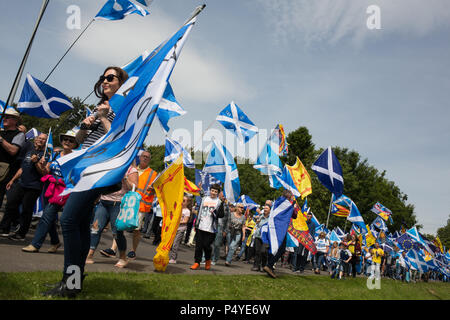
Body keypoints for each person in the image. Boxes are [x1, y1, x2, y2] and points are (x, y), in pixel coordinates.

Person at [43, 66, 129, 298]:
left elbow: (119, 142)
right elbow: (80, 140)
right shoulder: (100, 106)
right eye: (103, 77)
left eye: (110, 78)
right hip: (85, 167)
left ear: (121, 83)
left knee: (69, 220)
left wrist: (103, 117)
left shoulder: (122, 108)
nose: (105, 81)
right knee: (79, 224)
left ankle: (70, 282)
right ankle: (75, 280)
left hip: (99, 171)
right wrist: (86, 124)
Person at [21, 130, 78, 253]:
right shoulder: (55, 154)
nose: (67, 142)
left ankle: (35, 244)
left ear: (75, 144)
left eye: (71, 140)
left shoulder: (75, 158)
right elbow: (45, 172)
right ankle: (55, 242)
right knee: (50, 217)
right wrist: (39, 163)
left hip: (64, 190)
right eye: (65, 139)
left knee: (46, 216)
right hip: (49, 188)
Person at [85, 163, 138, 268]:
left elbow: (134, 187)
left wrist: (125, 177)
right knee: (95, 229)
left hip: (118, 204)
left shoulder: (131, 170)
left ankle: (123, 258)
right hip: (103, 202)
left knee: (117, 233)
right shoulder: (110, 165)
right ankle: (89, 255)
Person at [0, 132, 47, 240]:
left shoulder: (46, 155)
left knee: (26, 210)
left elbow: (44, 173)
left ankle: (21, 234)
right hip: (21, 183)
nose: (41, 140)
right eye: (39, 138)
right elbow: (22, 168)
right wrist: (12, 180)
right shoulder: (30, 151)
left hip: (34, 186)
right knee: (11, 203)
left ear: (46, 142)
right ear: (35, 139)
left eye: (43, 139)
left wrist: (36, 162)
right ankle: (5, 228)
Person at [0, 108, 26, 233]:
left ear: (15, 121)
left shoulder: (19, 135)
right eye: (4, 116)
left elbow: (13, 150)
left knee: (8, 202)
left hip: (6, 170)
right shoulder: (2, 132)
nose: (4, 118)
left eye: (8, 117)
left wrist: (1, 140)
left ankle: (10, 225)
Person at [190, 183, 226, 271]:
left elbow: (221, 215)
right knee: (198, 246)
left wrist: (222, 203)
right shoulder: (205, 198)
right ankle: (197, 262)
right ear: (210, 190)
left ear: (218, 193)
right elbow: (201, 194)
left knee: (206, 246)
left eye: (215, 191)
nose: (213, 193)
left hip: (211, 228)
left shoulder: (219, 202)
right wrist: (200, 187)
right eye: (212, 191)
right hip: (200, 226)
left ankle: (207, 261)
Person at [263, 190, 297, 279]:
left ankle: (269, 267)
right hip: (280, 229)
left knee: (273, 247)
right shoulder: (287, 204)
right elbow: (294, 215)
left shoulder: (277, 201)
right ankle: (269, 265)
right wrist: (294, 205)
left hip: (273, 227)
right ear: (289, 197)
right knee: (281, 249)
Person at [169, 195, 192, 264]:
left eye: (184, 201)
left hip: (181, 229)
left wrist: (177, 221)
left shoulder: (187, 211)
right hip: (174, 228)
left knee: (175, 244)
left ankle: (173, 258)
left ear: (187, 203)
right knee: (171, 243)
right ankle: (169, 256)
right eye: (182, 200)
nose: (182, 201)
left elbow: (185, 221)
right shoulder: (178, 208)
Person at [252, 203, 270, 272]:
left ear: (270, 210)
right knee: (257, 251)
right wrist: (257, 221)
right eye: (264, 208)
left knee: (263, 251)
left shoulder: (271, 218)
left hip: (266, 238)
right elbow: (255, 221)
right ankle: (256, 266)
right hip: (258, 236)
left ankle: (264, 265)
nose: (265, 209)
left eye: (267, 208)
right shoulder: (260, 216)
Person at [211, 200, 230, 265]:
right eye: (222, 195)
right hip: (211, 225)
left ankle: (214, 259)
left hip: (220, 227)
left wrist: (225, 230)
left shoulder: (226, 207)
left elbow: (228, 219)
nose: (223, 197)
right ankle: (204, 258)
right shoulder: (214, 202)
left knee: (217, 244)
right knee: (208, 243)